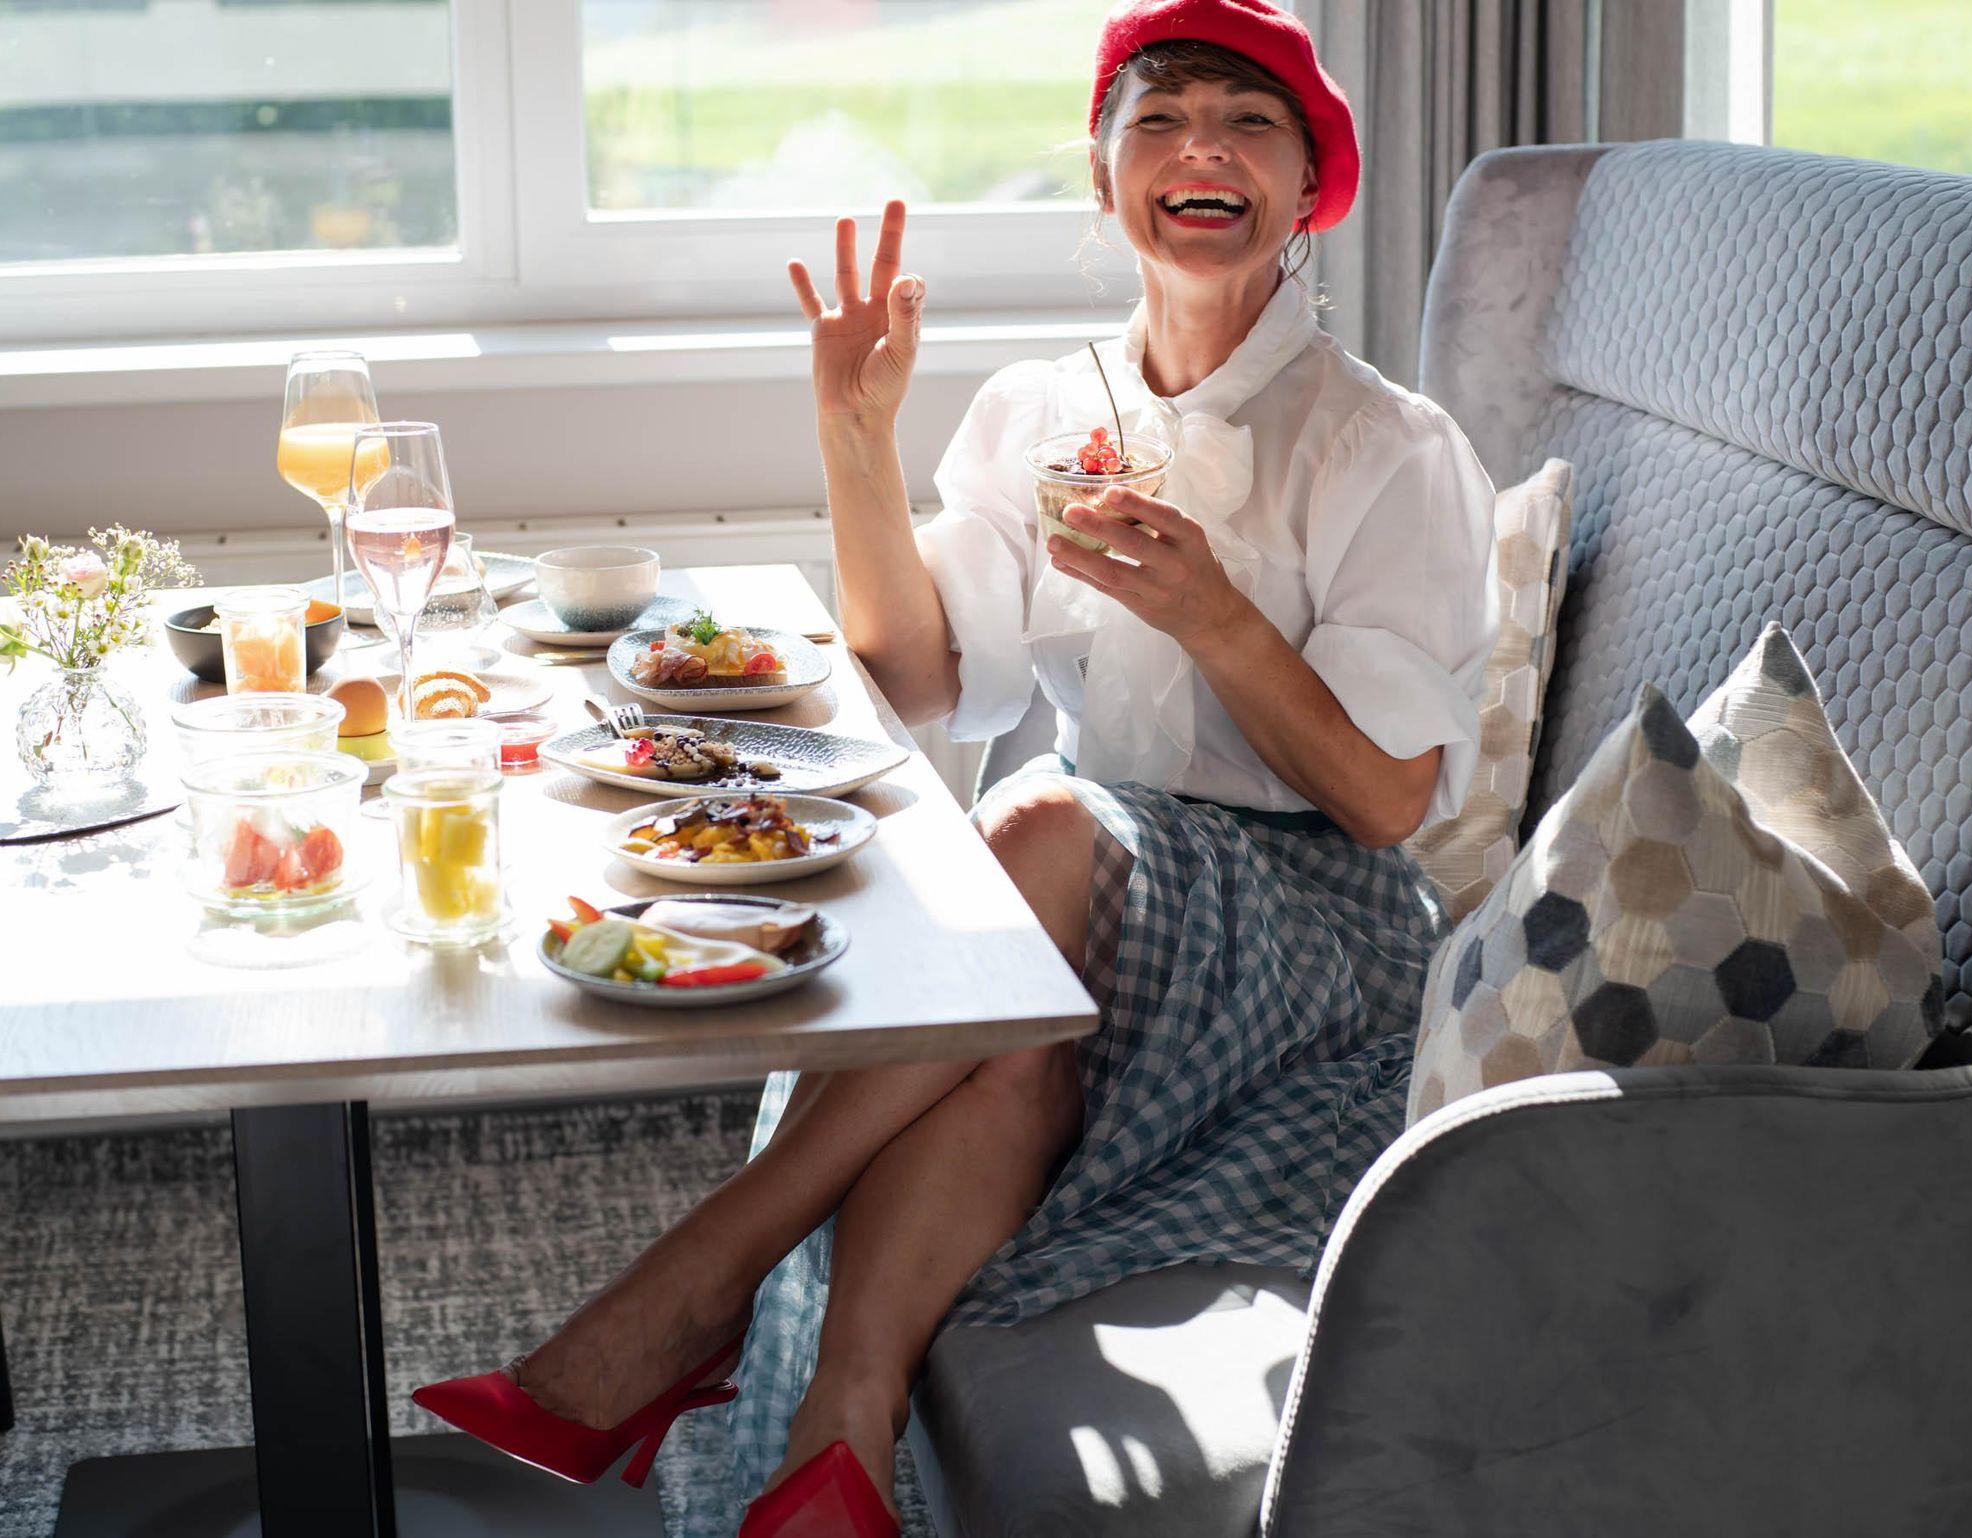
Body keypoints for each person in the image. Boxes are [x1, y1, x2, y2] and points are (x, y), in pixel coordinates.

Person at [411, 1, 1499, 1531]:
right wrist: (855, 440)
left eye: (1249, 123)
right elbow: (917, 672)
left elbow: (1386, 800)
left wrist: (1214, 612)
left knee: (1034, 815)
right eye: (1161, 118)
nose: (1202, 147)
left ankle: (695, 1280)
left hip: (1320, 934)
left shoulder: (1386, 447)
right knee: (1005, 1048)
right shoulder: (1042, 413)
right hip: (1101, 923)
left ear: (1309, 187)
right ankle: (839, 1446)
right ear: (1106, 175)